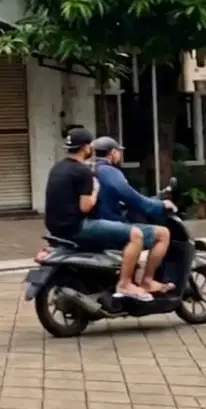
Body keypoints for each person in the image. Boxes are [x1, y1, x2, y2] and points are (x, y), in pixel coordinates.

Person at [43, 127, 153, 301]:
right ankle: (125, 284)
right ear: (87, 147)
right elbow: (85, 207)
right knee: (136, 235)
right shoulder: (83, 171)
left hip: (54, 228)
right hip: (76, 227)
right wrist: (95, 189)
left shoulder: (57, 168)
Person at [91, 136, 175, 295]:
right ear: (113, 153)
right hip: (110, 223)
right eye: (119, 152)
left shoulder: (90, 169)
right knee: (163, 234)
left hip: (94, 222)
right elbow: (131, 197)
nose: (120, 155)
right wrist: (159, 205)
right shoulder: (110, 172)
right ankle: (147, 281)